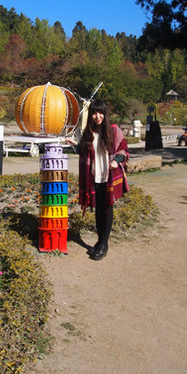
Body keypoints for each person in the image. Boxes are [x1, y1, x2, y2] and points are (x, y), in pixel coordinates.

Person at [66, 99, 129, 260]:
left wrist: (117, 161)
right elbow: (85, 152)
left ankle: (104, 244)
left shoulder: (113, 130)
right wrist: (75, 145)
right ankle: (100, 241)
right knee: (99, 211)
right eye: (94, 113)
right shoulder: (88, 133)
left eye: (100, 112)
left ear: (105, 114)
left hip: (109, 175)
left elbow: (123, 150)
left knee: (107, 209)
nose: (97, 116)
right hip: (94, 177)